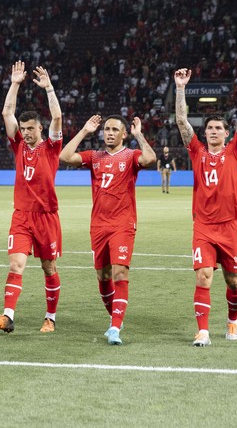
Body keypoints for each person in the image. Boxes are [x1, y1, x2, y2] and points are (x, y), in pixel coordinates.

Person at [174, 65, 237, 346]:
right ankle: (203, 332)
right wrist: (181, 88)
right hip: (204, 227)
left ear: (225, 132)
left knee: (232, 281)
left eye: (218, 128)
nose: (213, 131)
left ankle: (232, 321)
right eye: (209, 128)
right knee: (204, 277)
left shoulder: (235, 150)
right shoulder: (196, 151)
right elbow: (182, 122)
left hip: (230, 227)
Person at [59, 114, 156, 345]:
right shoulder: (94, 157)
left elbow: (151, 158)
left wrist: (139, 135)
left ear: (124, 134)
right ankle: (115, 317)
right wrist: (84, 130)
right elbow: (64, 156)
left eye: (114, 130)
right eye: (107, 129)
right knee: (102, 277)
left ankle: (114, 328)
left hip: (122, 224)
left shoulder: (131, 156)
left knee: (120, 273)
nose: (109, 133)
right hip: (98, 226)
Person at [0, 62, 64, 334]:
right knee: (16, 263)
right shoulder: (18, 144)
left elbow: (57, 118)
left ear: (40, 129)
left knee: (48, 267)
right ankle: (8, 315)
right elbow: (6, 112)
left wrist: (49, 88)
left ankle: (50, 317)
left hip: (46, 217)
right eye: (24, 128)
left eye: (31, 128)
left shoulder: (52, 147)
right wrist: (15, 83)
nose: (27, 132)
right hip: (21, 215)